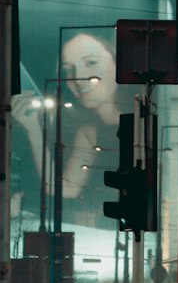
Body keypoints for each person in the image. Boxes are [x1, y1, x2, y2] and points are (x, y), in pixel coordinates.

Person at [12, 32, 125, 225]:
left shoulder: (142, 121)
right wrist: (34, 131)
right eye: (68, 70)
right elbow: (65, 189)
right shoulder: (90, 132)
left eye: (90, 63)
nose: (77, 78)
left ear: (117, 63)